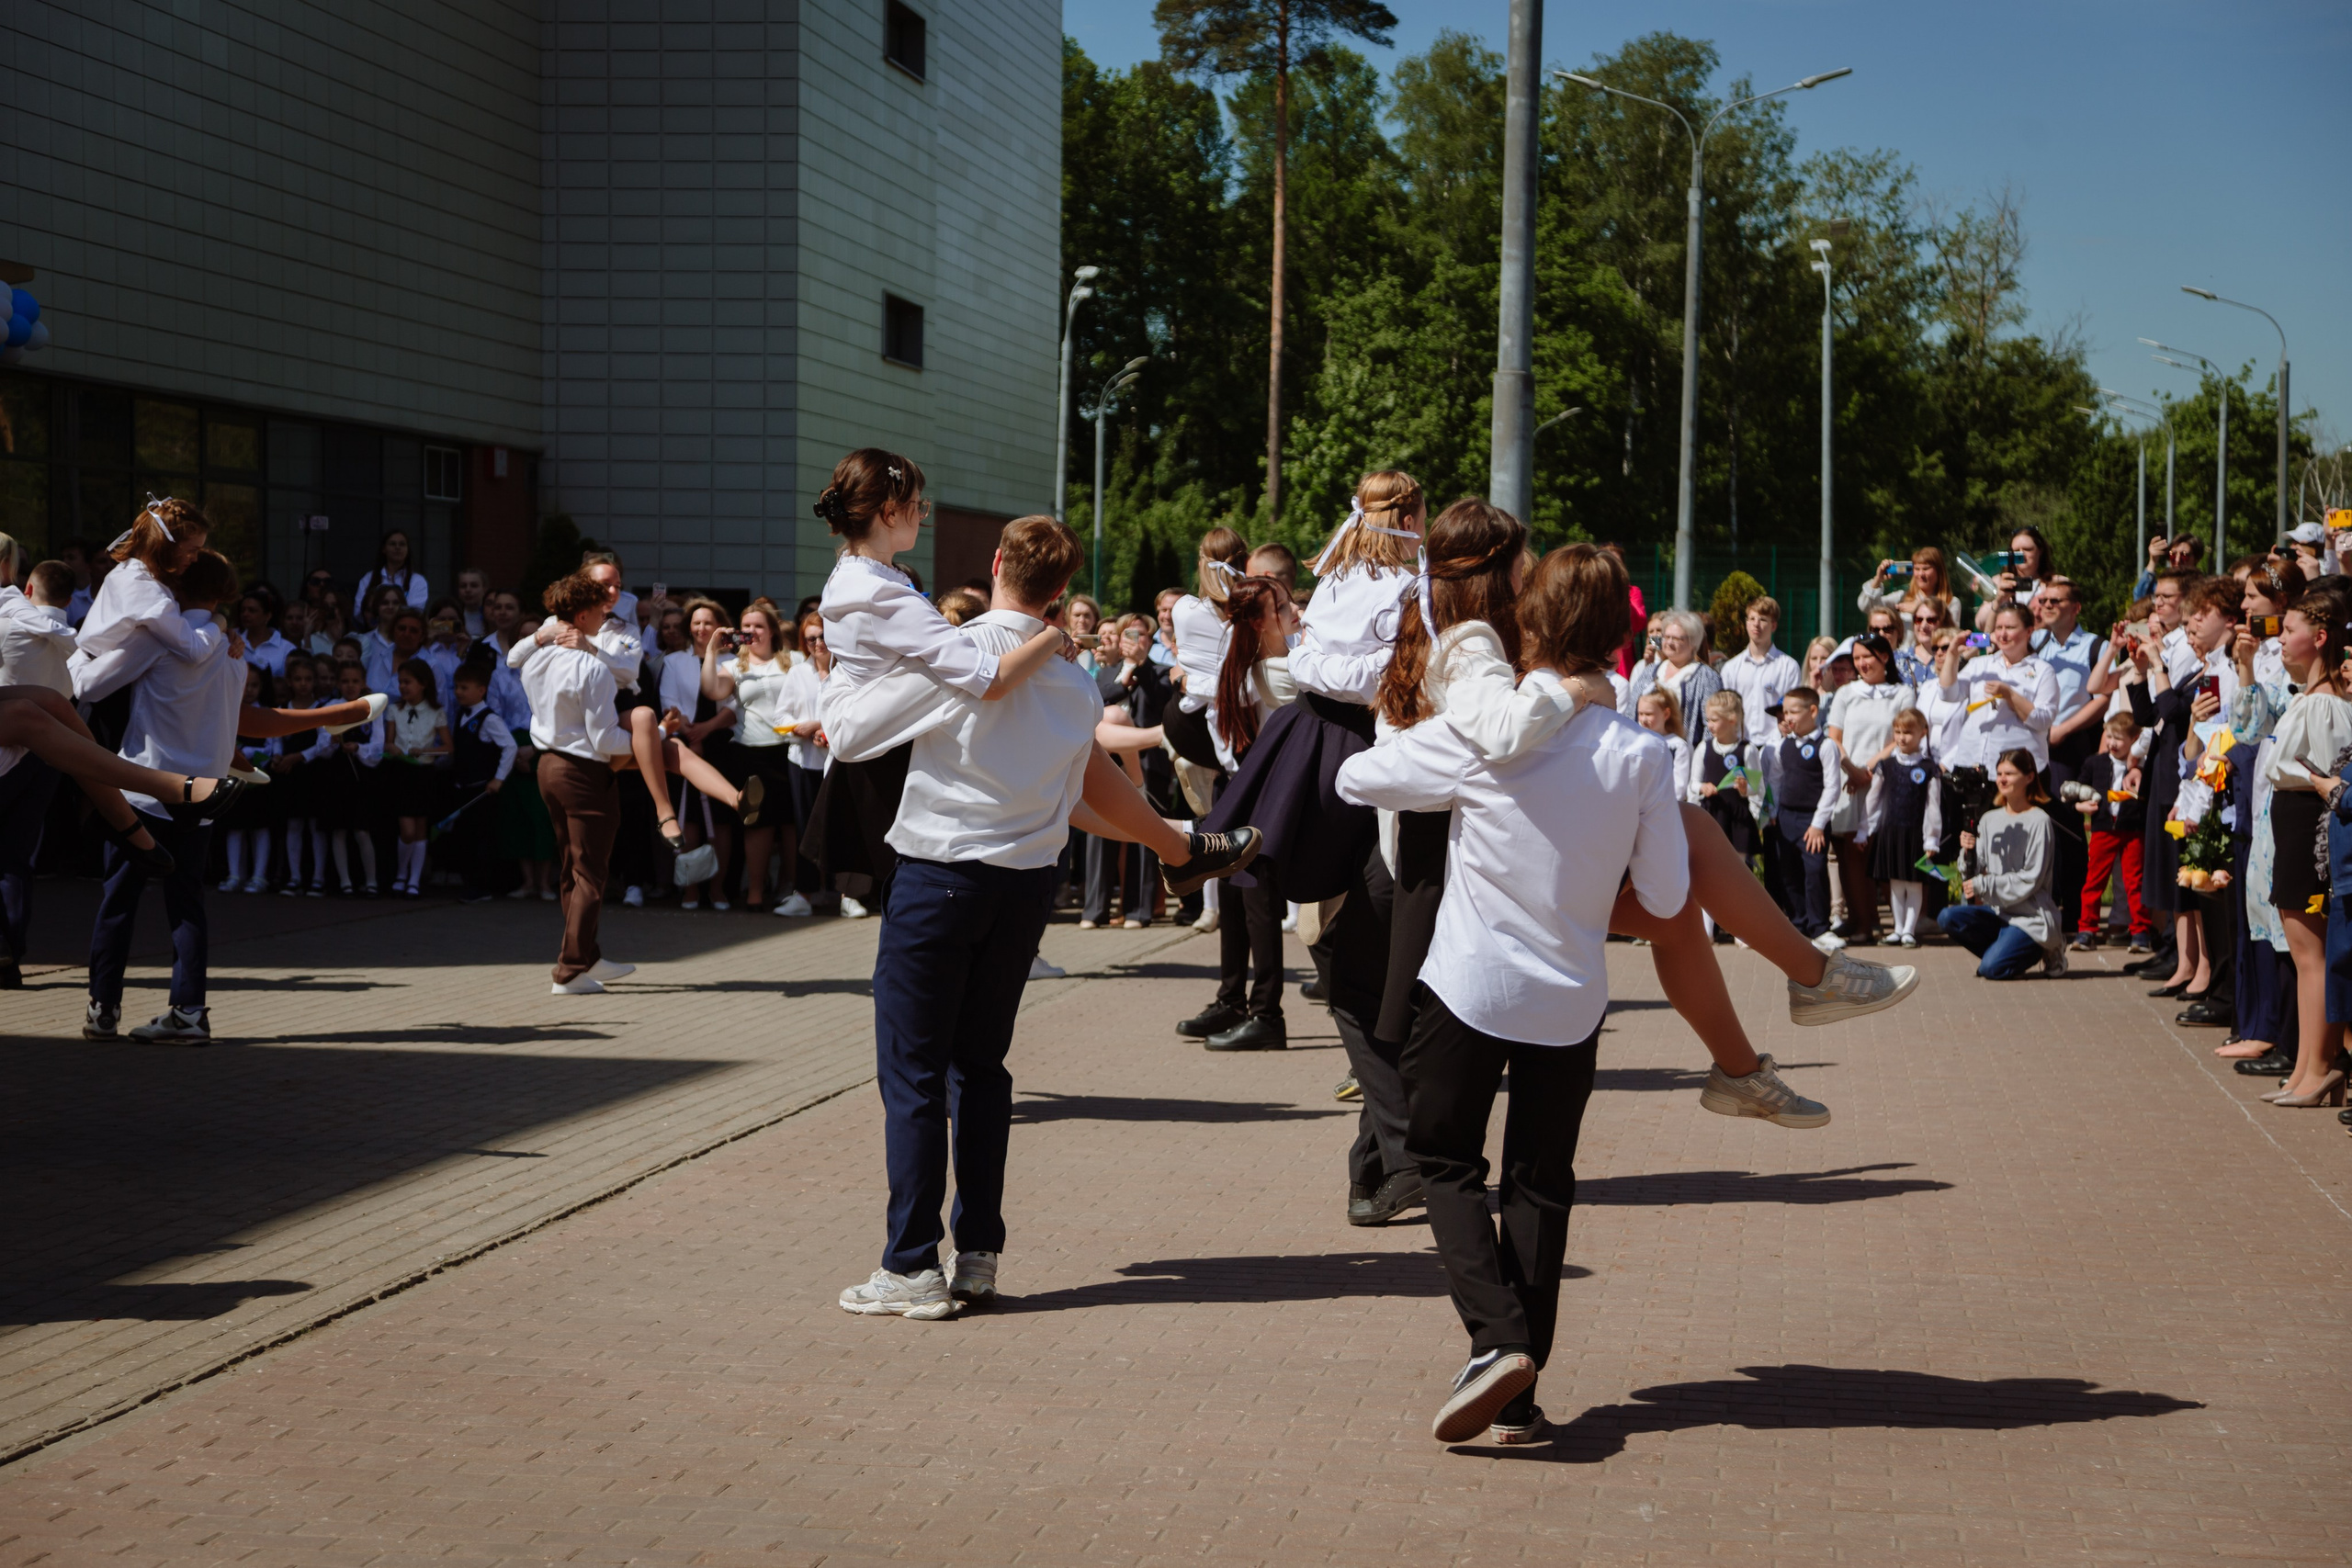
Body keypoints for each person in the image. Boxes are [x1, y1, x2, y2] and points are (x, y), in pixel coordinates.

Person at [1335, 542, 1696, 1447]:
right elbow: (1662, 899)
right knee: (1540, 1184)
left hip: (1468, 986)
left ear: (1529, 625)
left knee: (1445, 1159)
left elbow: (1354, 777)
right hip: (1570, 994)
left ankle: (1498, 1343)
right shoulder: (1643, 756)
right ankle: (1521, 1397)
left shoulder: (1487, 738)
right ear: (1622, 638)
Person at [826, 515, 1107, 1321]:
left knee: (913, 1072)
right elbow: (1071, 793)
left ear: (994, 567)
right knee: (982, 1068)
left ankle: (911, 1262)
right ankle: (977, 1251)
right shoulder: (1076, 683)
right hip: (1022, 888)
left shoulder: (958, 652)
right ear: (1062, 590)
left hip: (941, 877)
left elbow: (851, 736)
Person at [1195, 471, 1424, 1049]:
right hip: (1346, 736)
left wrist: (1337, 672)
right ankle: (1353, 1024)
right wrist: (1360, 677)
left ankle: (1360, 1023)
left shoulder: (1366, 581)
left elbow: (1316, 660)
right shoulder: (1367, 582)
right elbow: (1342, 667)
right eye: (1421, 516)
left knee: (1340, 891)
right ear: (1407, 520)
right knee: (1301, 879)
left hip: (1333, 730)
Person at [85, 547, 254, 1043]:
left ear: (176, 587)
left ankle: (103, 1008)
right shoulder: (232, 649)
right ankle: (188, 1011)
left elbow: (91, 687)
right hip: (203, 795)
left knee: (118, 901)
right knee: (187, 905)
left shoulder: (162, 640)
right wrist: (223, 628)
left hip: (145, 790)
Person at [2256, 582, 2352, 1108]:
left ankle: (2321, 1066)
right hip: (2292, 819)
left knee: (2312, 953)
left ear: (2318, 638)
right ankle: (2303, 1069)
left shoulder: (2326, 705)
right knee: (2300, 952)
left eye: (2288, 630)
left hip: (2311, 824)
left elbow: (2335, 774)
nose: (2280, 639)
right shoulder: (2309, 700)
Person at [704, 602, 799, 912]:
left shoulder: (795, 661)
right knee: (756, 823)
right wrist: (712, 651)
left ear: (772, 630)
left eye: (758, 626)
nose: (751, 633)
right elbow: (713, 692)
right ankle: (756, 893)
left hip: (790, 750)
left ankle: (793, 889)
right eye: (745, 628)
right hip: (749, 752)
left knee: (791, 824)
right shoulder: (734, 666)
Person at [1937, 748, 2064, 979]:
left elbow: (2031, 879)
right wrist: (1967, 853)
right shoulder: (1989, 819)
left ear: (2029, 777)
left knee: (1990, 970)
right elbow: (1972, 872)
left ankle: (2045, 946)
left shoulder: (2039, 821)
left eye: (2010, 773)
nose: (2003, 779)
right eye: (1999, 773)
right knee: (1947, 918)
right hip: (1998, 913)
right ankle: (2000, 951)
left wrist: (1983, 885)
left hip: (2030, 918)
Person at [2030, 577, 2108, 945]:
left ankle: (2075, 915)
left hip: (2069, 744)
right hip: (2033, 745)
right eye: (2043, 600)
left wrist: (2063, 729)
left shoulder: (2095, 645)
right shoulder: (2034, 643)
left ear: (2075, 607)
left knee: (2068, 830)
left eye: (2055, 601)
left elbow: (2103, 695)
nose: (2046, 606)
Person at [1824, 634, 1915, 945]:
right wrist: (1852, 769)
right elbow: (1834, 737)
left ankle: (1900, 927)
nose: (1862, 663)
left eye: (1869, 657)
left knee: (1885, 853)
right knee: (1850, 854)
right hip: (1849, 783)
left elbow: (1901, 735)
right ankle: (1861, 923)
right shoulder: (1846, 693)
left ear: (1885, 658)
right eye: (1858, 658)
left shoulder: (1902, 693)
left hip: (1886, 782)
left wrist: (1871, 768)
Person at [1761, 686, 1844, 945]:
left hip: (1812, 820)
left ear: (1813, 711)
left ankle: (1819, 927)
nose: (1788, 718)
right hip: (1786, 818)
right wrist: (1772, 812)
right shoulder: (1782, 746)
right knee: (1789, 872)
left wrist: (1818, 824)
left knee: (1814, 870)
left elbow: (1833, 786)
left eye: (1794, 711)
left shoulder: (1826, 745)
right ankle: (1798, 926)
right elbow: (1775, 780)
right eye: (1785, 712)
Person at [770, 608, 832, 916]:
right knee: (806, 828)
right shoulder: (798, 673)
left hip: (838, 761)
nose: (818, 644)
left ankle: (846, 894)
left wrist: (822, 726)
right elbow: (781, 716)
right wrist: (804, 729)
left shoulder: (848, 670)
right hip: (804, 760)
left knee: (841, 825)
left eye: (823, 636)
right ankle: (806, 894)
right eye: (810, 639)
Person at [2072, 714, 2148, 955]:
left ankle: (2140, 932)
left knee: (2134, 881)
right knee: (2094, 880)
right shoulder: (2095, 763)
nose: (2112, 743)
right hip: (2104, 828)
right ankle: (2087, 930)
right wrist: (2080, 806)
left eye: (2119, 739)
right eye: (2109, 737)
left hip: (2132, 829)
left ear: (2135, 739)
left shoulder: (2142, 766)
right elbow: (2079, 789)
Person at [447, 657, 518, 903]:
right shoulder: (459, 716)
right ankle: (470, 883)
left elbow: (510, 747)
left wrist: (498, 779)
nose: (458, 692)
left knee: (481, 838)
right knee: (465, 837)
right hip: (463, 787)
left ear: (481, 690)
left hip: (482, 790)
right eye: (456, 687)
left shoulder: (489, 719)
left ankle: (482, 887)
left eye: (464, 688)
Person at [383, 657, 450, 897]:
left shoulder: (436, 712)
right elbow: (389, 742)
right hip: (402, 772)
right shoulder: (394, 710)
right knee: (407, 830)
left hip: (424, 773)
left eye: (408, 682)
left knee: (421, 827)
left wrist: (425, 750)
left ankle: (413, 879)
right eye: (400, 682)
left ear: (423, 684)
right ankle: (402, 873)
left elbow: (448, 747)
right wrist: (393, 749)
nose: (403, 687)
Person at [322, 659, 388, 895]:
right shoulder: (332, 706)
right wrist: (331, 743)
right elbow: (322, 746)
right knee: (339, 830)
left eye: (355, 681)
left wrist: (358, 749)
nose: (350, 686)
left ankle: (371, 880)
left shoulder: (371, 708)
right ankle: (344, 881)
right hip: (338, 776)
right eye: (345, 681)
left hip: (362, 777)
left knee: (362, 830)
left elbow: (378, 747)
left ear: (363, 683)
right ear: (338, 683)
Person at [1721, 595, 1801, 747]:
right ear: (1746, 623)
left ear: (1774, 626)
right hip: (1739, 745)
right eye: (1752, 619)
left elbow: (1792, 709)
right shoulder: (1731, 668)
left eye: (1763, 620)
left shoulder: (1788, 667)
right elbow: (1725, 708)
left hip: (1775, 745)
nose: (1756, 625)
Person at [1622, 608, 1724, 724]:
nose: (1669, 643)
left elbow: (1712, 723)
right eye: (1666, 637)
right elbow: (1631, 713)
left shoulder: (1707, 677)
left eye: (1676, 638)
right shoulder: (1650, 671)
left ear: (1693, 643)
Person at [355, 529, 429, 627]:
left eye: (402, 544)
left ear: (407, 550)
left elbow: (415, 612)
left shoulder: (417, 581)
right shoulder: (368, 578)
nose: (397, 547)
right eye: (393, 544)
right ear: (384, 549)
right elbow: (359, 611)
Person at [1634, 688, 1691, 801]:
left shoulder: (1677, 746)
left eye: (1649, 714)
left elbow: (1679, 787)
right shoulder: (1636, 742)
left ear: (1666, 714)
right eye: (1640, 714)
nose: (1643, 719)